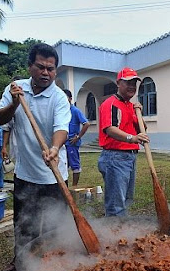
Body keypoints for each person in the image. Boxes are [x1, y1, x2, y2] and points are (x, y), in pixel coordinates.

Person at [0, 43, 71, 271]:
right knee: (24, 221)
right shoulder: (15, 89)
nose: (46, 73)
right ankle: (21, 260)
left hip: (54, 172)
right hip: (26, 172)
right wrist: (15, 103)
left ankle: (53, 260)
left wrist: (55, 148)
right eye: (41, 67)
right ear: (30, 67)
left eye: (51, 68)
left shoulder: (58, 96)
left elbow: (62, 128)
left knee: (55, 223)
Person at [98, 67, 149, 217]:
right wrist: (132, 138)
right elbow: (110, 129)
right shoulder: (111, 104)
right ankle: (114, 236)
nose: (132, 86)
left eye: (134, 82)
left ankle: (120, 231)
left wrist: (139, 113)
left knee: (126, 199)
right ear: (118, 83)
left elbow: (142, 129)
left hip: (129, 157)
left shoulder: (130, 106)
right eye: (128, 82)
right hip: (115, 157)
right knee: (116, 205)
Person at [64, 89, 90, 186]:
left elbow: (86, 124)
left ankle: (74, 187)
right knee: (63, 166)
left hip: (71, 143)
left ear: (70, 99)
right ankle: (64, 187)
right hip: (63, 144)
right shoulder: (61, 111)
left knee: (75, 165)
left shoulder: (75, 111)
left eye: (65, 98)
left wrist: (78, 137)